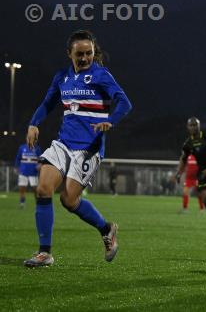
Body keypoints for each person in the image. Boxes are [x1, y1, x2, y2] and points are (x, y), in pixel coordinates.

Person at [23, 30, 132, 268]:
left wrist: (110, 121)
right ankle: (44, 253)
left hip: (89, 147)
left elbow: (125, 102)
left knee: (68, 199)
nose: (84, 58)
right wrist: (33, 123)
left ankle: (106, 229)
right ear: (69, 54)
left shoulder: (101, 75)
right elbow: (47, 103)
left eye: (89, 53)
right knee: (43, 189)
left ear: (94, 52)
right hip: (63, 143)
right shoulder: (62, 77)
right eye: (79, 54)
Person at [14, 143, 42, 209]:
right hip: (23, 171)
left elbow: (41, 158)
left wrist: (40, 165)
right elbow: (18, 157)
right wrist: (16, 167)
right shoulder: (22, 147)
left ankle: (38, 204)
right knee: (22, 189)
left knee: (35, 189)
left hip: (33, 172)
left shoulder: (37, 148)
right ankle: (22, 203)